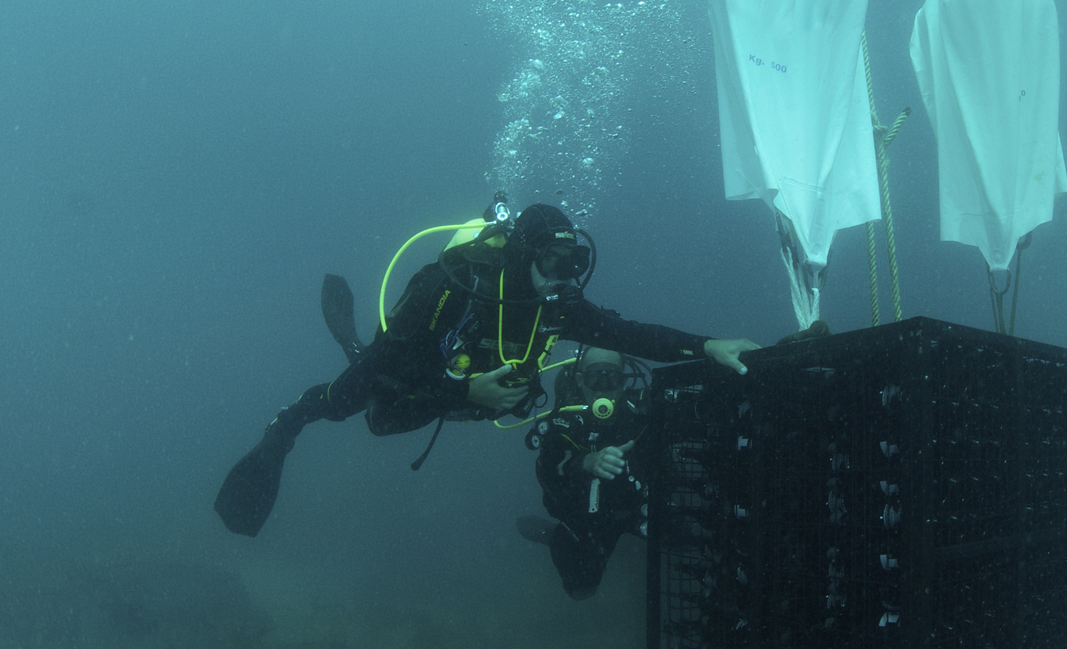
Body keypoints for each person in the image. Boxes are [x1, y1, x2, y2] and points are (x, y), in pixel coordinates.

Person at [214, 197, 759, 537]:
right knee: (357, 410)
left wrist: (707, 346)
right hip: (407, 376)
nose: (565, 277)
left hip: (463, 396)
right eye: (553, 262)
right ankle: (283, 429)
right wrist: (464, 394)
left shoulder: (558, 305)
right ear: (524, 255)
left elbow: (631, 335)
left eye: (574, 264)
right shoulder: (453, 287)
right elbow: (392, 364)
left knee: (391, 416)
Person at [515, 347, 648, 599]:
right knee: (581, 589)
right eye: (594, 376)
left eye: (612, 377)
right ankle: (554, 535)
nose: (603, 387)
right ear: (579, 380)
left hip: (636, 508)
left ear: (623, 381)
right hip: (589, 519)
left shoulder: (640, 413)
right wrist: (584, 463)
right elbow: (548, 478)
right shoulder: (561, 422)